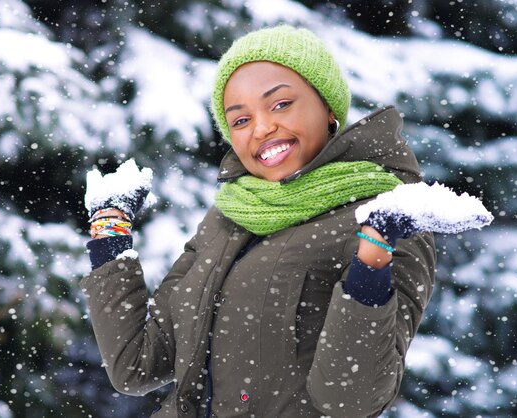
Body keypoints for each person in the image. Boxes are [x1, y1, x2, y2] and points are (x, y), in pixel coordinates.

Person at [81, 25, 437, 418]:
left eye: (281, 104)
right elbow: (137, 365)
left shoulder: (388, 216)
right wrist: (109, 231)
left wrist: (371, 262)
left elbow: (350, 401)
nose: (263, 128)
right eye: (240, 120)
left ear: (327, 107)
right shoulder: (231, 215)